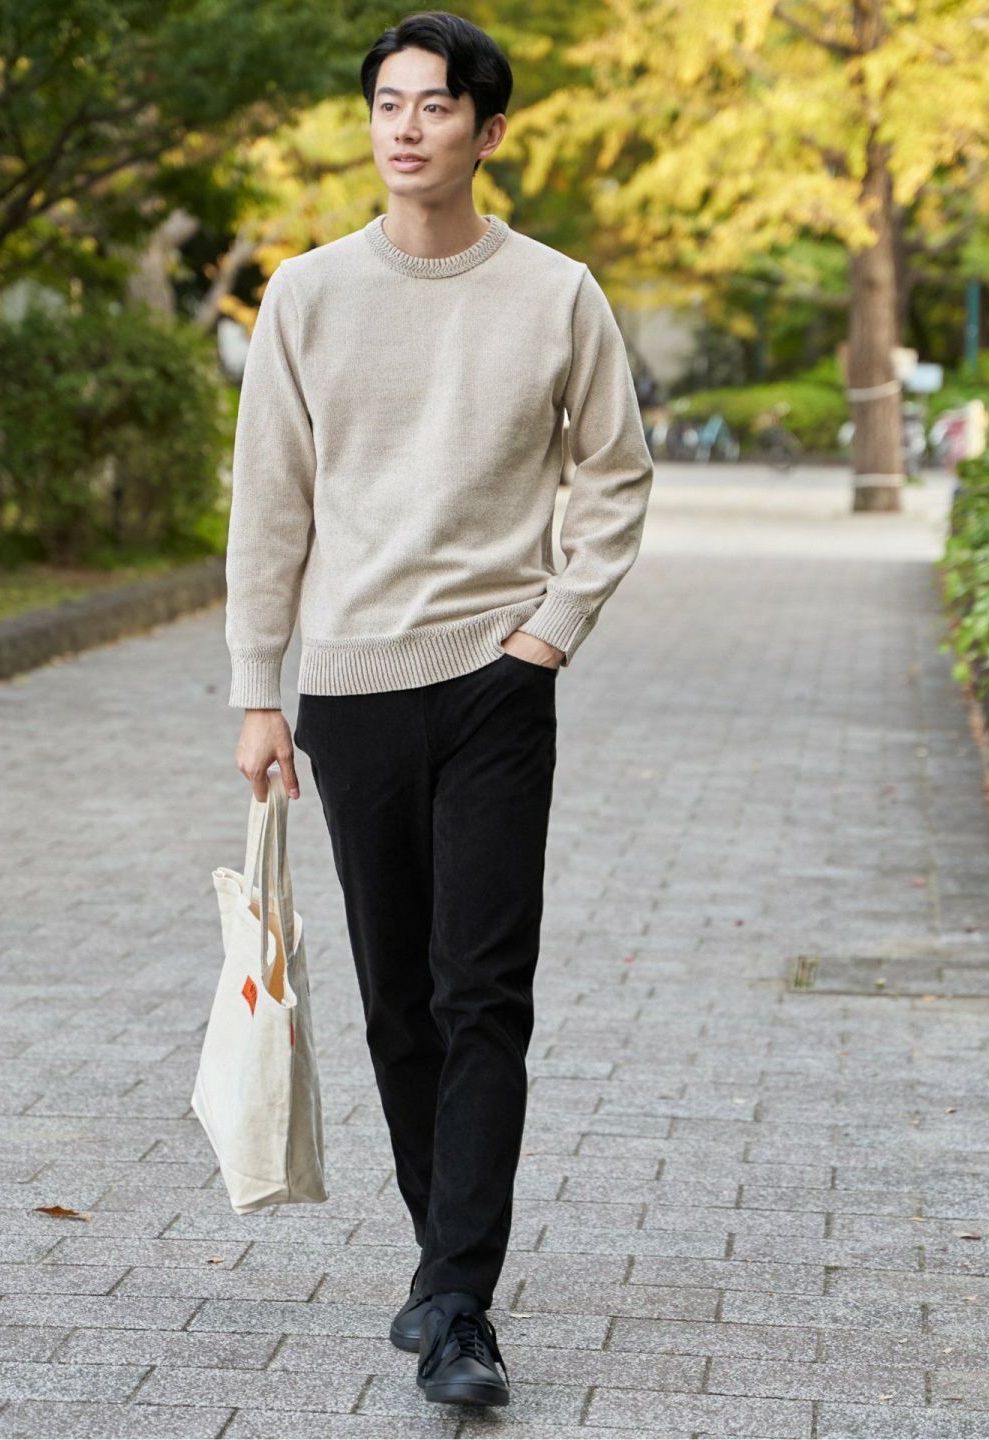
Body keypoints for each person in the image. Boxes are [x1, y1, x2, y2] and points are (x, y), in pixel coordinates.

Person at [224, 8, 654, 1410]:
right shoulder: (307, 295)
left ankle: (459, 1297)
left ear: (487, 129)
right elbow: (269, 504)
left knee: (483, 993)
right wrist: (257, 692)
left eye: (435, 105)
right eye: (388, 105)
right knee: (397, 1003)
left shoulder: (556, 293)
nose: (406, 128)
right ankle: (442, 1265)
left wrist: (548, 633)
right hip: (351, 693)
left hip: (493, 687)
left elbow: (616, 473)